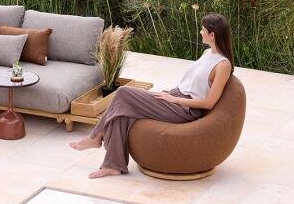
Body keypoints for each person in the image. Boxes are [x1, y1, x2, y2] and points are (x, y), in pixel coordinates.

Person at [71, 12, 234, 178]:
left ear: (212, 35)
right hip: (175, 97)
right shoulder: (207, 53)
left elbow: (209, 103)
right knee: (122, 111)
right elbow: (191, 83)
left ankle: (95, 137)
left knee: (122, 92)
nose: (200, 32)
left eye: (203, 30)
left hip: (185, 109)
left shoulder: (223, 65)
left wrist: (174, 99)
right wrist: (170, 95)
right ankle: (113, 166)